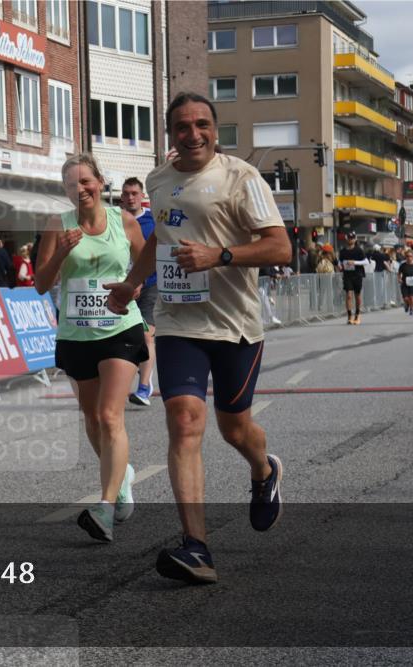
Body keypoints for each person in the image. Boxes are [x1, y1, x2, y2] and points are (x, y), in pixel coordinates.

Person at [105, 92, 291, 584]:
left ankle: (263, 468)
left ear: (215, 127)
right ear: (171, 133)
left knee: (235, 431)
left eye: (201, 125)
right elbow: (159, 244)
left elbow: (280, 247)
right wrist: (131, 283)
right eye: (182, 127)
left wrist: (220, 256)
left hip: (235, 326)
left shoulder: (241, 178)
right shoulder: (158, 180)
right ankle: (196, 548)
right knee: (184, 420)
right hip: (177, 321)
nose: (193, 134)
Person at [35, 153, 147, 543]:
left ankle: (104, 507)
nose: (79, 189)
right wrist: (63, 251)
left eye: (85, 181)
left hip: (120, 328)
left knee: (109, 414)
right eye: (70, 185)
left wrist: (133, 285)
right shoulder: (57, 225)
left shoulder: (124, 221)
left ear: (100, 182)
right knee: (92, 419)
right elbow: (39, 281)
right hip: (77, 334)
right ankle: (123, 477)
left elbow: (143, 267)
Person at [119, 176, 158, 406]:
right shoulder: (114, 220)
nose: (131, 197)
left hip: (151, 285)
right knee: (125, 339)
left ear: (142, 196)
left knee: (146, 334)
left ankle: (144, 387)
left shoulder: (152, 221)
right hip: (122, 287)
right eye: (126, 193)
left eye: (135, 193)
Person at [339, 231, 366, 324]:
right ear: (347, 239)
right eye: (349, 238)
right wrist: (340, 265)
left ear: (355, 239)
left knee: (357, 295)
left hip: (357, 275)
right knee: (349, 295)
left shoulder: (359, 250)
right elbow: (340, 261)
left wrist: (355, 262)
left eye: (352, 238)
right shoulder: (343, 251)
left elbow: (366, 261)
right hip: (347, 275)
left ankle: (357, 315)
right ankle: (349, 315)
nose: (351, 240)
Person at [398, 249, 413, 316]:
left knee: (411, 297)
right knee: (405, 298)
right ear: (405, 257)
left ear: (412, 256)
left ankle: (411, 309)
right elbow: (399, 273)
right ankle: (407, 304)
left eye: (410, 256)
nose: (409, 258)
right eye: (407, 256)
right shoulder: (403, 265)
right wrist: (399, 279)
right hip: (404, 283)